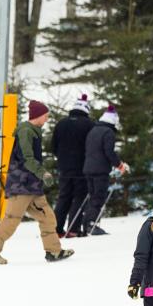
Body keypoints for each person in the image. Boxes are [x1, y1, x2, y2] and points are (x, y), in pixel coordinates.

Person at [0, 100, 72, 265]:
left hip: (31, 186)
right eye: (45, 116)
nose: (47, 119)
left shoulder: (33, 130)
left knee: (48, 217)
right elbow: (27, 159)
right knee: (11, 221)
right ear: (38, 116)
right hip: (21, 185)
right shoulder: (26, 131)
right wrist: (43, 173)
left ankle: (53, 251)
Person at [81, 104, 128, 236]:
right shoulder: (108, 132)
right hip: (100, 169)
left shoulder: (93, 130)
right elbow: (109, 152)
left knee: (92, 196)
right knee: (98, 197)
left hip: (88, 168)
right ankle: (91, 224)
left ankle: (86, 224)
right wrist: (119, 165)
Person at [51, 94, 94, 237]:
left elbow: (53, 146)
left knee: (64, 197)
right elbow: (91, 147)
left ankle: (56, 229)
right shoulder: (89, 124)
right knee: (79, 197)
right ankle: (73, 229)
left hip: (64, 167)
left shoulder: (61, 123)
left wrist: (62, 159)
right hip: (81, 167)